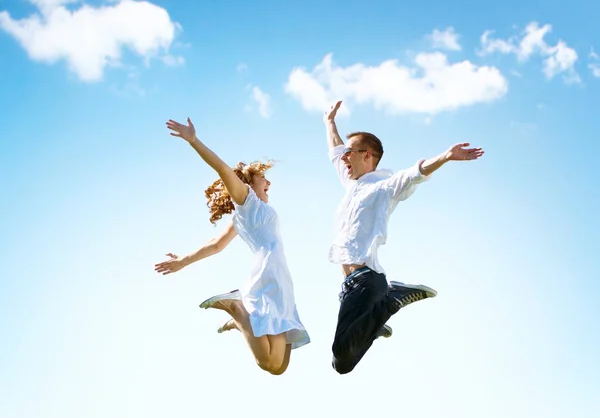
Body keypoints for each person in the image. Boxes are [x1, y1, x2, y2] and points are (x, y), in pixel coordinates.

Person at [323, 100, 484, 375]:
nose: (344, 158)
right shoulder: (351, 184)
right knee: (343, 361)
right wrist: (329, 123)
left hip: (367, 281)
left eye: (350, 153)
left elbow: (415, 173)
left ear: (368, 156)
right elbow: (335, 149)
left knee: (341, 358)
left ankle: (391, 299)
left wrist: (445, 156)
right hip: (350, 286)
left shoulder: (384, 186)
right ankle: (374, 323)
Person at [154, 117, 310, 375]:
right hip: (267, 278)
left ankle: (238, 322)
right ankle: (237, 309)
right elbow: (224, 171)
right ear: (248, 184)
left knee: (279, 366)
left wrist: (182, 261)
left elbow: (216, 245)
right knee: (267, 362)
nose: (268, 183)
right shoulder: (246, 201)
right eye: (263, 178)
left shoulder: (247, 214)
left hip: (280, 280)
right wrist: (194, 141)